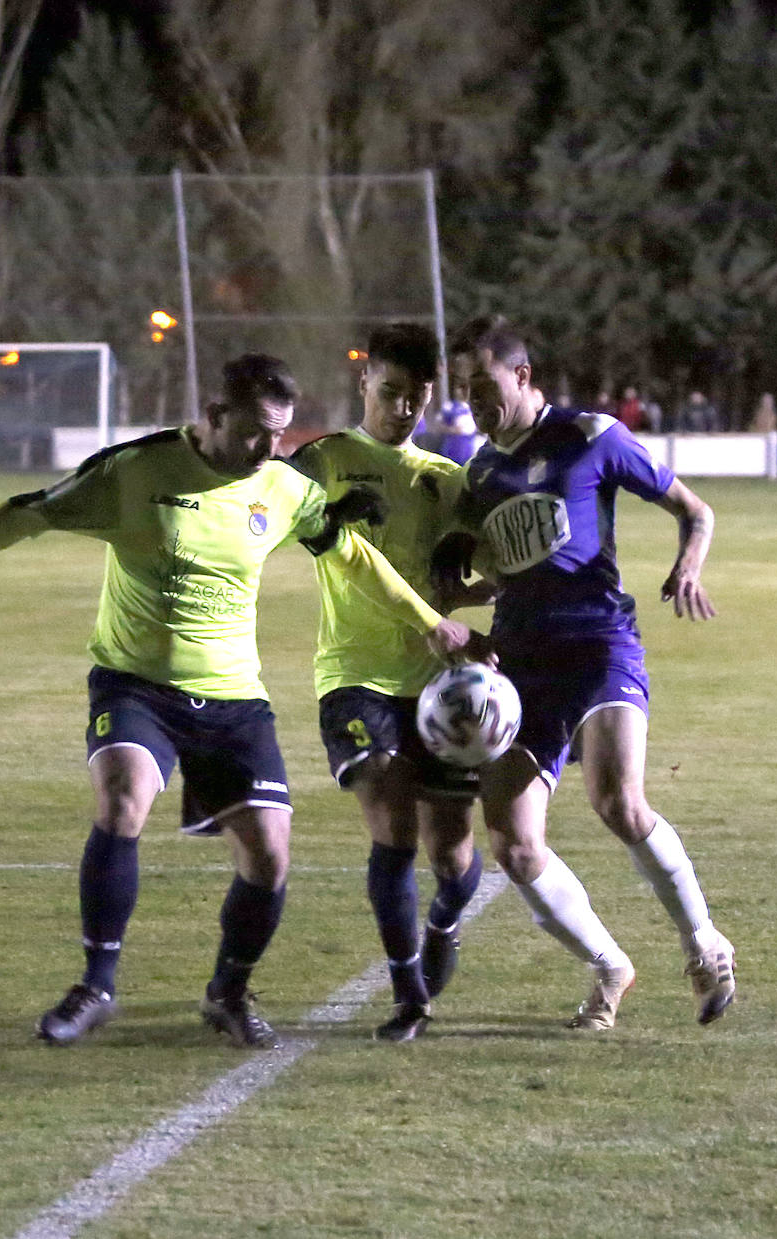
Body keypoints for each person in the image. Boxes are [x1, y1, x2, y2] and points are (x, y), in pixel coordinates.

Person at [0, 353, 477, 1050]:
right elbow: (29, 513)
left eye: (278, 435)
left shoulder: (279, 485)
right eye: (255, 433)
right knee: (124, 795)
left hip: (233, 697)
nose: (269, 450)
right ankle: (96, 984)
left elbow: (350, 554)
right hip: (136, 684)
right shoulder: (134, 471)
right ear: (213, 416)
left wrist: (431, 621)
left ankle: (228, 990)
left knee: (270, 857)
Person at [437, 319, 736, 1030]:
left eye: (484, 386)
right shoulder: (480, 473)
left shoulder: (590, 437)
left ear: (523, 375)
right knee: (512, 843)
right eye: (463, 391)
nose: (474, 402)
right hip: (522, 663)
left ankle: (705, 944)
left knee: (618, 801)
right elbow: (508, 573)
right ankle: (609, 965)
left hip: (600, 644)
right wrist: (455, 596)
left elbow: (694, 511)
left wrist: (686, 566)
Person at [289, 324, 492, 1043]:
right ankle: (409, 991)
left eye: (416, 396)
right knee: (394, 826)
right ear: (363, 384)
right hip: (354, 675)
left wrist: (477, 610)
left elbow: (469, 576)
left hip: (439, 686)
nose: (402, 408)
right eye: (390, 392)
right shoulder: (321, 461)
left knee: (454, 853)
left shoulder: (446, 479)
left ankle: (442, 923)